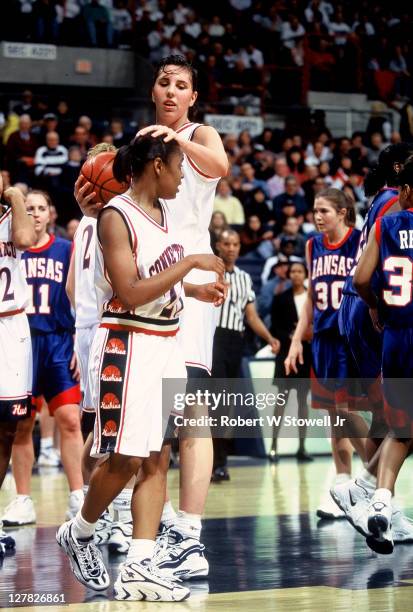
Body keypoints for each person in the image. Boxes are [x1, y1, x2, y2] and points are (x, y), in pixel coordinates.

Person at [76, 54, 229, 579]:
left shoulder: (199, 136)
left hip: (190, 282)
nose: (170, 90)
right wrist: (92, 207)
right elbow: (123, 211)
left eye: (181, 84)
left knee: (190, 411)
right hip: (146, 283)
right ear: (153, 89)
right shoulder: (139, 149)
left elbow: (220, 167)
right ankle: (144, 530)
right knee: (144, 428)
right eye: (163, 81)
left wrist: (173, 138)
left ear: (192, 97)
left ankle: (188, 532)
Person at [330, 143, 413, 543]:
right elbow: (374, 269)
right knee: (397, 416)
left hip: (369, 307)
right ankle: (373, 493)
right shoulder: (392, 205)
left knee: (394, 413)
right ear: (401, 171)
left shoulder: (381, 204)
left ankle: (376, 492)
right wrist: (378, 306)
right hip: (376, 309)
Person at [285, 188, 370, 520]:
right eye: (315, 211)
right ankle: (343, 484)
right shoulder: (312, 245)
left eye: (324, 211)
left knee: (345, 409)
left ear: (343, 213)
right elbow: (310, 298)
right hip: (322, 337)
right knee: (333, 417)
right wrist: (295, 341)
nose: (317, 217)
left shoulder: (361, 241)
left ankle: (373, 479)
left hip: (349, 335)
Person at [1, 191, 83, 528]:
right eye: (29, 207)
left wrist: (80, 336)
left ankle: (78, 495)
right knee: (19, 426)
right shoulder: (13, 241)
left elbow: (80, 296)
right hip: (22, 340)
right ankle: (22, 498)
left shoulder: (65, 249)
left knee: (70, 419)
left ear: (51, 214)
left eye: (40, 208)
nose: (34, 213)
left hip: (58, 339)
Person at [353, 155, 413, 555]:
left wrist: (375, 304)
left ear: (405, 191)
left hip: (394, 336)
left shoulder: (386, 223)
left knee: (402, 426)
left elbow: (360, 278)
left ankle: (380, 499)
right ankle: (371, 493)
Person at [210, 229, 280, 481]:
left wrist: (269, 337)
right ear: (218, 245)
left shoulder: (244, 278)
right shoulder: (207, 272)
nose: (231, 248)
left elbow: (251, 316)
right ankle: (211, 460)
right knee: (212, 404)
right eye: (227, 243)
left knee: (225, 405)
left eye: (236, 244)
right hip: (211, 339)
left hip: (234, 341)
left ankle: (220, 461)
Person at [0, 179, 35, 555]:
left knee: (8, 428)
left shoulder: (13, 214)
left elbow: (25, 239)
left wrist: (15, 196)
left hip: (11, 325)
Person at [270, 261, 312, 462]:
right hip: (286, 354)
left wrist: (308, 334)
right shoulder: (279, 298)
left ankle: (302, 447)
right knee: (281, 400)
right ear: (288, 275)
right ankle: (273, 446)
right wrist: (292, 334)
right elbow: (275, 327)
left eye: (299, 271)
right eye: (293, 271)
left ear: (305, 274)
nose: (296, 274)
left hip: (306, 354)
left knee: (303, 401)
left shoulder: (312, 297)